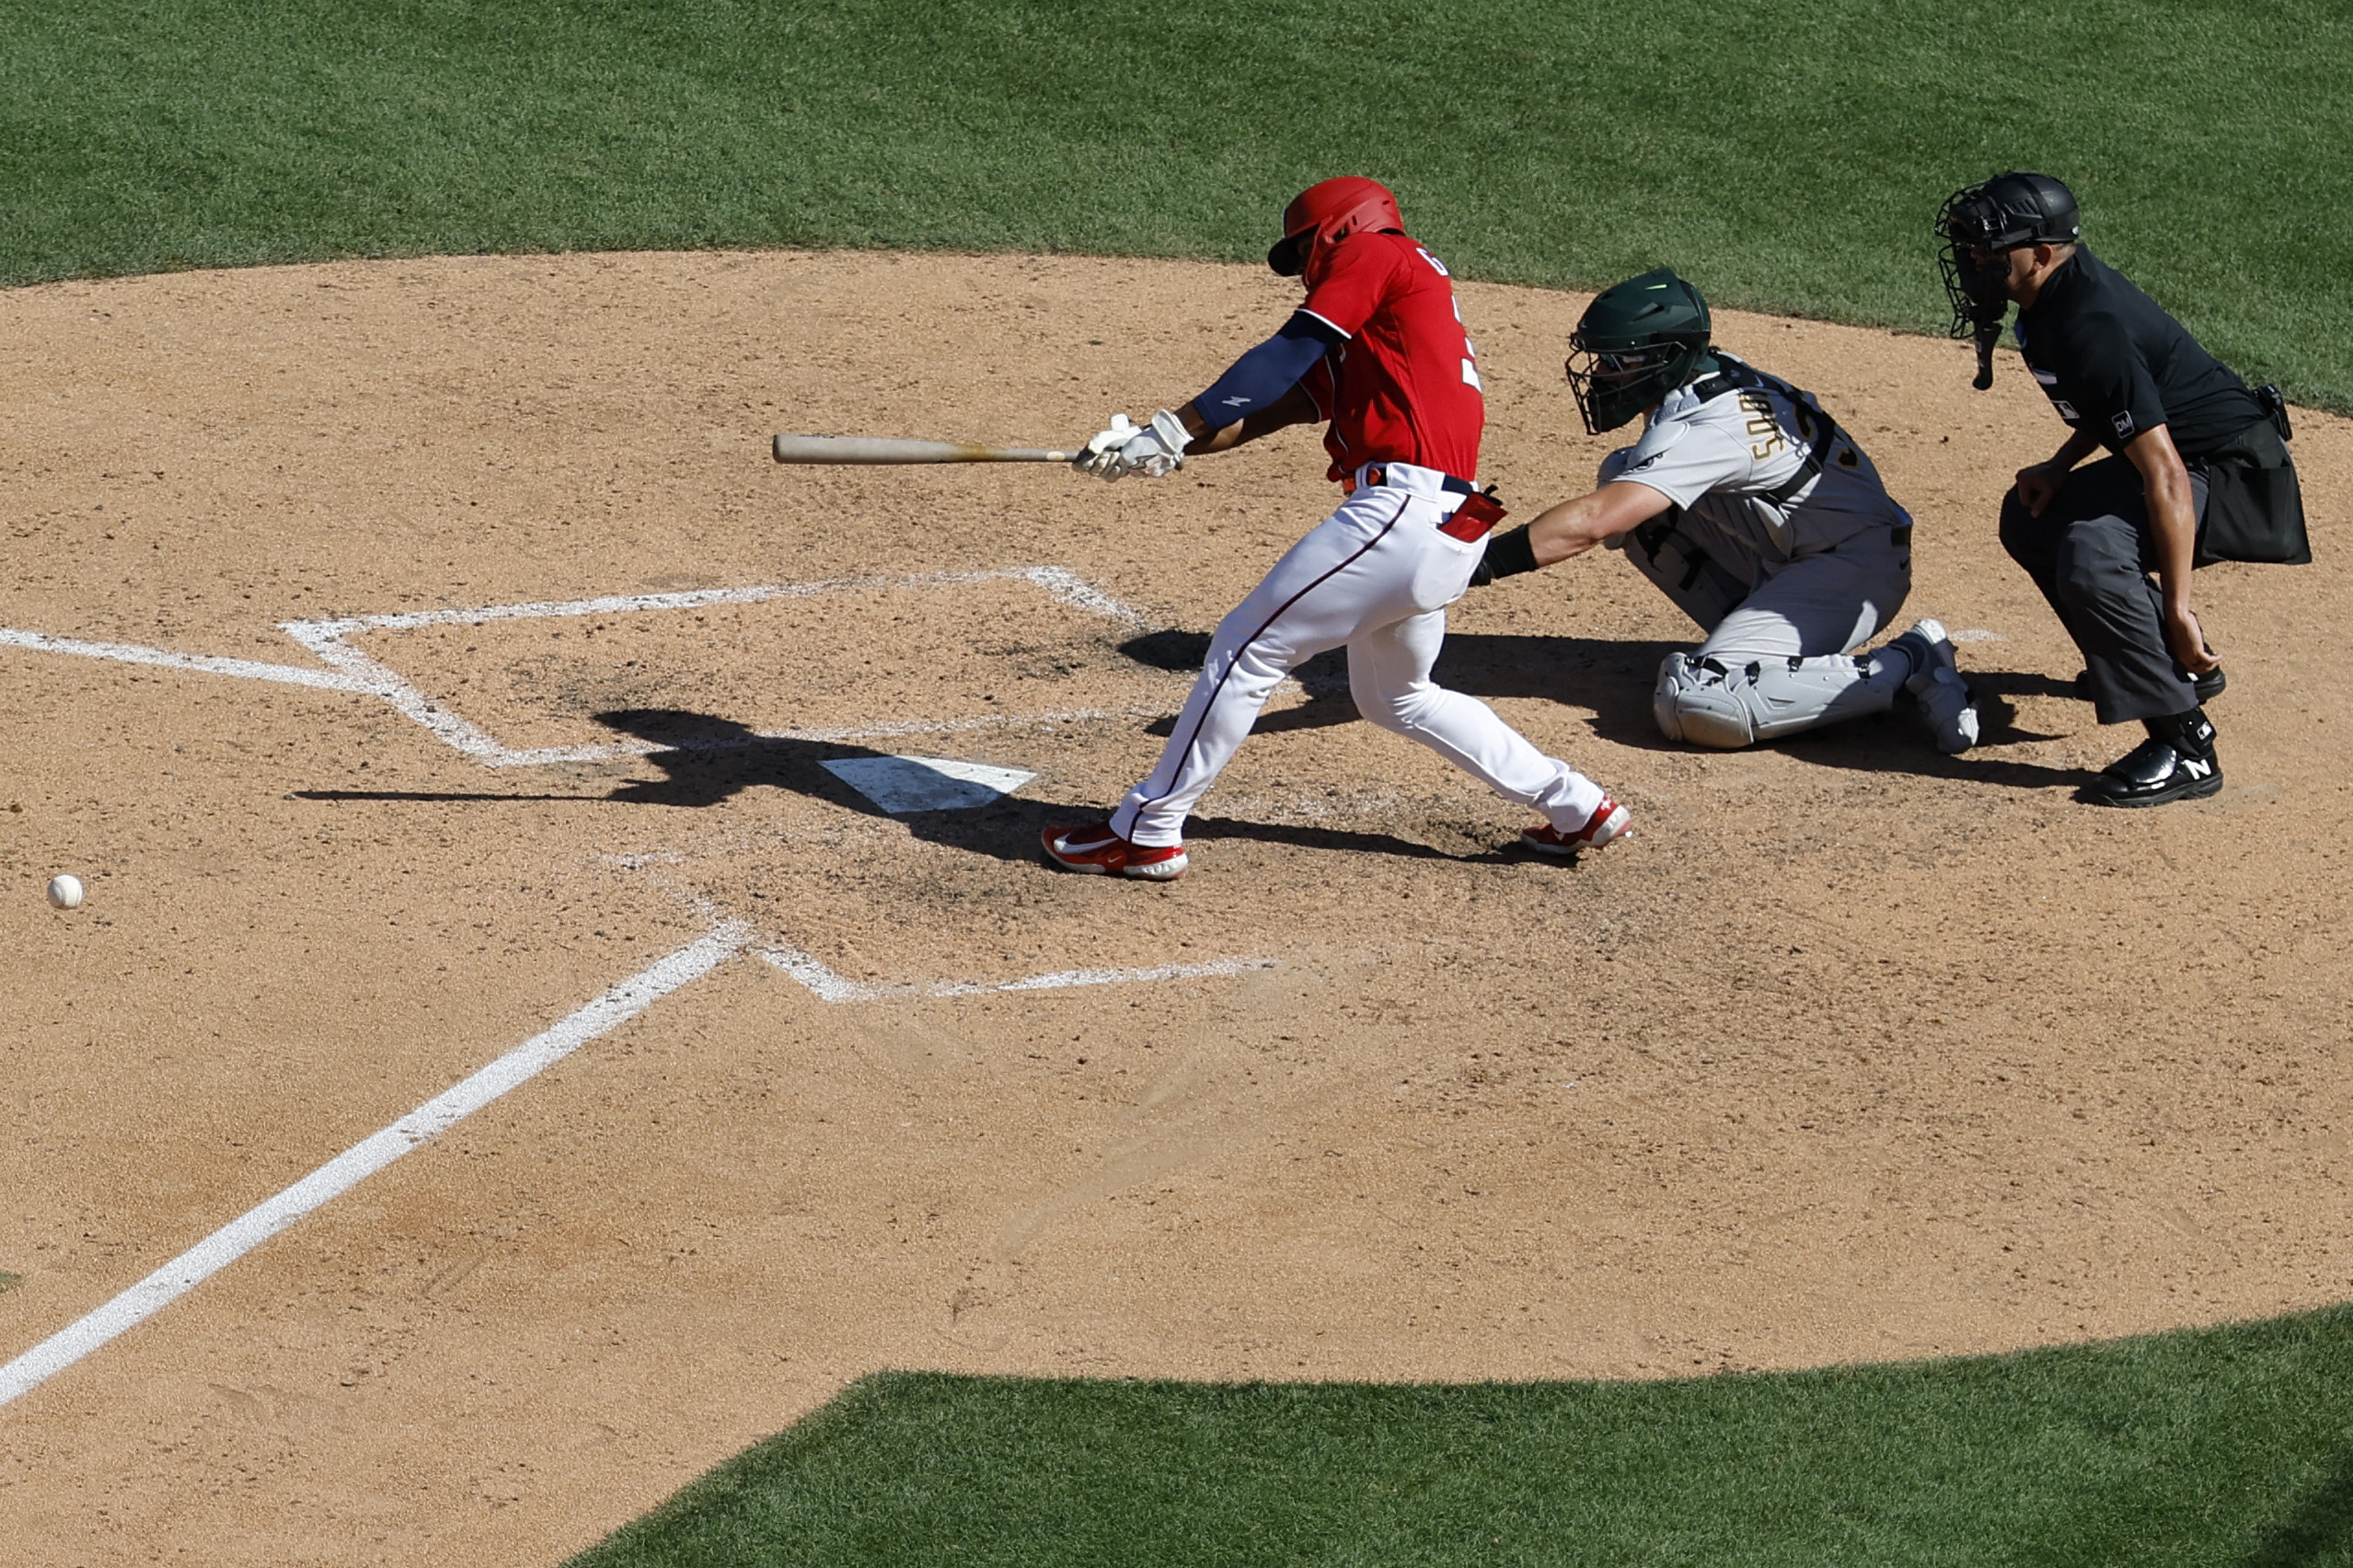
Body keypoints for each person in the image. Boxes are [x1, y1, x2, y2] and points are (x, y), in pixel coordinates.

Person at [1040, 176, 1628, 882]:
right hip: (1445, 527)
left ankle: (1147, 830)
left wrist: (1174, 422)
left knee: (1244, 652)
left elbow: (1284, 351)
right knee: (1398, 697)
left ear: (1337, 230)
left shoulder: (1380, 254)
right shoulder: (1390, 328)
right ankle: (1578, 806)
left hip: (1400, 516)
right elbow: (1277, 406)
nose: (1306, 270)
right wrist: (1158, 445)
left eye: (1304, 252)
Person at [1471, 269, 1978, 754]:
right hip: (1808, 547)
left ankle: (1909, 662)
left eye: (1614, 362)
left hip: (1850, 570)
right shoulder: (1713, 374)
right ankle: (1756, 639)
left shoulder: (1710, 429)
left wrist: (1477, 562)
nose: (1599, 376)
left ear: (1665, 357)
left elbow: (1594, 522)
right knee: (1625, 472)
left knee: (1696, 704)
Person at [1937, 170, 2307, 806]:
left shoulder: (2087, 322)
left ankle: (2184, 743)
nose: (1974, 260)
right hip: (2185, 459)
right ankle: (2153, 661)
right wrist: (2059, 465)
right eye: (1970, 246)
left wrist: (2178, 607)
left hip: (2232, 477)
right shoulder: (2046, 300)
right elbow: (2115, 408)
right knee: (2031, 518)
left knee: (2092, 553)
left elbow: (2162, 470)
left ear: (2041, 254)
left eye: (1988, 249)